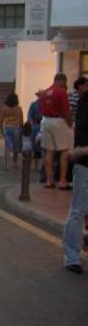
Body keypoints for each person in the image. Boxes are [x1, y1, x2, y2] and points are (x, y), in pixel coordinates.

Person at [62, 76, 88, 273]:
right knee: (79, 210)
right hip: (85, 165)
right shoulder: (85, 101)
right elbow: (81, 134)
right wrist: (80, 151)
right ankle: (72, 256)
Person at [40, 73, 73, 190]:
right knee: (64, 150)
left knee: (49, 152)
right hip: (59, 121)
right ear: (61, 81)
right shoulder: (61, 92)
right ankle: (62, 180)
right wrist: (70, 123)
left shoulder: (44, 93)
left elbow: (41, 110)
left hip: (47, 121)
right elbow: (66, 111)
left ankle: (49, 180)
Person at [0, 93, 24, 170]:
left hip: (7, 127)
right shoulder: (19, 108)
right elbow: (21, 120)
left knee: (7, 147)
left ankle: (7, 164)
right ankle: (15, 163)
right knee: (16, 147)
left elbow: (1, 120)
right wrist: (21, 128)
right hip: (16, 127)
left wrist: (1, 130)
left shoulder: (4, 108)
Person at [27, 90, 44, 172]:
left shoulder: (35, 104)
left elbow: (29, 116)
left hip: (39, 126)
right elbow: (29, 116)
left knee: (38, 147)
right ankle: (36, 165)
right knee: (37, 147)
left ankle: (37, 165)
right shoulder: (34, 105)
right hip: (38, 126)